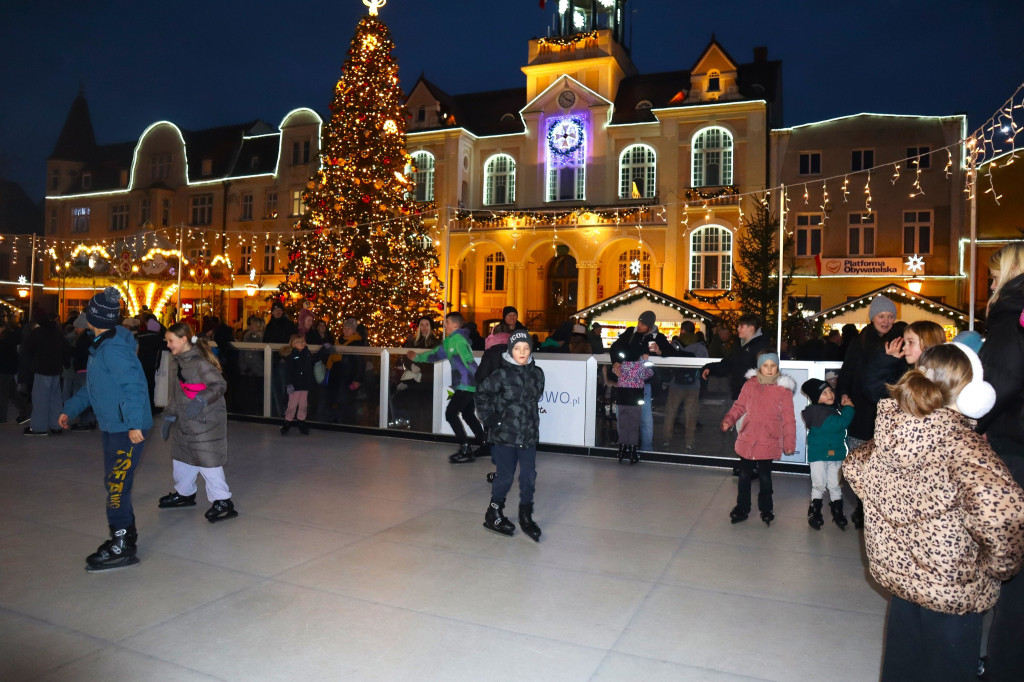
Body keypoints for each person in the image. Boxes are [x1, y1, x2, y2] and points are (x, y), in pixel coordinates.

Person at [844, 343, 1024, 682]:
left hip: (902, 586)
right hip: (952, 593)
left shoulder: (890, 432)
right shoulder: (964, 447)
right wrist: (999, 567)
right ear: (974, 394)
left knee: (902, 665)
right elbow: (1004, 514)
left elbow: (854, 467)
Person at [59, 287, 154, 572]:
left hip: (126, 428)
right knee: (115, 481)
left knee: (116, 485)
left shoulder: (112, 349)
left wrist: (135, 423)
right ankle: (126, 534)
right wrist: (71, 409)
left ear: (95, 317)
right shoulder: (102, 343)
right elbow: (95, 386)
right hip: (115, 425)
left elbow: (134, 386)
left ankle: (122, 544)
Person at [977, 242, 1024, 681]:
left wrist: (972, 419)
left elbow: (1001, 383)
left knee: (1012, 564)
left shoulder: (1011, 318)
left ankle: (1005, 665)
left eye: (993, 276)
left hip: (1014, 449)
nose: (989, 284)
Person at [158, 322, 238, 523]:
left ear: (184, 339)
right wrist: (170, 415)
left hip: (206, 422)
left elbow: (219, 384)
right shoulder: (181, 362)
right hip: (187, 421)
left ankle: (223, 501)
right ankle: (184, 493)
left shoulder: (200, 362)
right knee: (181, 458)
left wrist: (202, 399)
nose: (168, 345)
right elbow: (178, 393)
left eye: (171, 341)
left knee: (208, 462)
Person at [835, 294, 902, 528]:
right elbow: (848, 372)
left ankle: (880, 511)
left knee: (883, 466)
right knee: (860, 464)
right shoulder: (859, 342)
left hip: (888, 414)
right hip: (860, 411)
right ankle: (863, 509)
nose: (885, 321)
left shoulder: (900, 344)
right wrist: (843, 393)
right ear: (872, 318)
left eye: (890, 316)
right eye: (881, 316)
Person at [476, 329, 545, 541]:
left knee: (528, 478)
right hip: (505, 436)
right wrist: (491, 420)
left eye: (525, 348)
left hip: (528, 436)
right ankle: (493, 513)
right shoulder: (500, 375)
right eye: (517, 348)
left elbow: (536, 397)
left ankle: (526, 515)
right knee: (505, 477)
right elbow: (481, 394)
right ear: (510, 350)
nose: (522, 352)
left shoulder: (537, 373)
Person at [720, 350, 796, 526]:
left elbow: (788, 418)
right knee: (744, 475)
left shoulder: (783, 391)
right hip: (749, 438)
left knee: (764, 476)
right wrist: (729, 419)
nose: (769, 369)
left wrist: (789, 442)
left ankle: (767, 508)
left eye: (773, 366)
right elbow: (739, 406)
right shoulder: (750, 385)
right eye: (765, 366)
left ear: (778, 367)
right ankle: (742, 507)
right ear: (759, 367)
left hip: (769, 440)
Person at [407, 312, 485, 463]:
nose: (445, 325)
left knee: (450, 414)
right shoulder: (450, 341)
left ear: (455, 325)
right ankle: (484, 443)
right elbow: (436, 354)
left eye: (447, 322)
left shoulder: (458, 340)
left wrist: (481, 380)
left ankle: (465, 448)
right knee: (468, 414)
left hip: (466, 384)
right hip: (465, 385)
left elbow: (469, 361)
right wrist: (418, 357)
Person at [610, 310, 673, 452]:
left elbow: (670, 352)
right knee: (624, 416)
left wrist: (659, 352)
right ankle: (625, 445)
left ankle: (646, 448)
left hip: (644, 384)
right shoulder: (631, 333)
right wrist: (616, 361)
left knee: (644, 418)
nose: (638, 325)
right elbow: (616, 347)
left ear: (649, 326)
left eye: (642, 324)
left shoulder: (657, 337)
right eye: (638, 322)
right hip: (627, 383)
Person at [800, 379, 854, 530]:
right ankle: (815, 511)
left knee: (835, 484)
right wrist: (848, 408)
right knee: (819, 484)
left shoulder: (831, 410)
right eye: (824, 393)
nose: (830, 394)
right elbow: (840, 424)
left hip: (835, 454)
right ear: (816, 398)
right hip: (819, 456)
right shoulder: (817, 413)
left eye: (830, 390)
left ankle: (837, 511)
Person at [701, 313, 772, 401]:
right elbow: (728, 364)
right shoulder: (739, 346)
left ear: (751, 328)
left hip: (755, 398)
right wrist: (710, 368)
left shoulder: (762, 347)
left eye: (741, 326)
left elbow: (768, 374)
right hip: (739, 395)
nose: (738, 329)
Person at [22, 308, 69, 436]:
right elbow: (65, 349)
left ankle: (39, 427)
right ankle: (56, 425)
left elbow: (27, 348)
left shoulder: (38, 332)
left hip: (42, 369)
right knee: (55, 399)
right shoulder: (57, 332)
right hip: (56, 370)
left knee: (40, 399)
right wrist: (66, 364)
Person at [662, 322, 708, 451]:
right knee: (691, 415)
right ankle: (689, 442)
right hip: (694, 385)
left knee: (670, 413)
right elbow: (705, 365)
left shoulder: (675, 345)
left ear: (682, 330)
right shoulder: (700, 347)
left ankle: (666, 440)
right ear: (693, 331)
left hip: (676, 384)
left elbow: (667, 363)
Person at [613, 352, 653, 464]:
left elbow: (614, 371)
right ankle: (632, 451)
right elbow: (649, 373)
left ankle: (621, 450)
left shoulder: (622, 365)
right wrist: (645, 361)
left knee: (623, 424)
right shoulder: (640, 366)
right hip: (634, 399)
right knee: (633, 426)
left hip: (622, 399)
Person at [280, 333, 316, 435]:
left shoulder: (307, 354)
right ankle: (288, 421)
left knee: (303, 405)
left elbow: (314, 359)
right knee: (292, 405)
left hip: (305, 385)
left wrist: (323, 350)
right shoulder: (291, 356)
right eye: (298, 342)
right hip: (295, 386)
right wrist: (289, 383)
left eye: (302, 341)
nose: (301, 343)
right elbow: (288, 371)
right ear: (293, 344)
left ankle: (301, 422)